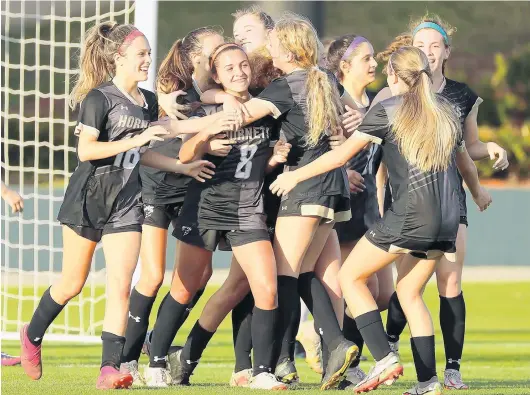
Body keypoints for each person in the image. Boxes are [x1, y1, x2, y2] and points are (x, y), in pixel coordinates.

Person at [269, 46, 492, 395]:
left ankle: (384, 357)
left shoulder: (387, 109)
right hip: (448, 220)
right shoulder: (447, 109)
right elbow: (464, 162)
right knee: (409, 292)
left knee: (350, 277)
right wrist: (478, 194)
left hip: (410, 216)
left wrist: (294, 177)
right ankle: (428, 382)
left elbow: (340, 155)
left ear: (392, 76)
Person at [18, 21, 216, 390]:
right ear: (118, 58)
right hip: (89, 200)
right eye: (140, 54)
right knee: (72, 283)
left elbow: (144, 153)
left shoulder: (148, 101)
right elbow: (87, 152)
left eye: (147, 54)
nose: (147, 60)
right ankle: (31, 335)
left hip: (127, 204)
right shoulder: (99, 98)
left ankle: (109, 367)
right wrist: (139, 137)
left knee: (121, 284)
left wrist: (179, 165)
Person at [144, 43, 289, 390]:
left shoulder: (265, 107)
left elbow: (255, 162)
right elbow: (185, 153)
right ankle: (157, 361)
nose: (239, 72)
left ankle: (263, 372)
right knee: (184, 287)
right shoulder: (207, 109)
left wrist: (274, 158)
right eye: (229, 68)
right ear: (217, 76)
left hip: (247, 210)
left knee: (267, 289)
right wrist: (207, 135)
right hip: (205, 206)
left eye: (242, 65)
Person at [377, 15, 509, 390]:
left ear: (446, 52)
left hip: (450, 202)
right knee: (406, 286)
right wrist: (379, 200)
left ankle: (452, 368)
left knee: (450, 284)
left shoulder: (461, 95)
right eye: (422, 44)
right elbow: (381, 157)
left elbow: (469, 148)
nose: (429, 51)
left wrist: (492, 151)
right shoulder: (394, 93)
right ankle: (388, 347)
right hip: (407, 203)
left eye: (436, 45)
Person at [119, 26, 227, 386]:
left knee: (200, 276)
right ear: (196, 56)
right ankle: (129, 359)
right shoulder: (172, 87)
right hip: (158, 188)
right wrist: (198, 133)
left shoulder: (217, 89)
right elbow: (172, 129)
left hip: (193, 188)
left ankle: (157, 341)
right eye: (213, 49)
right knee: (152, 276)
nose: (220, 54)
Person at [325, 33, 395, 389]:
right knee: (354, 283)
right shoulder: (334, 102)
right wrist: (341, 172)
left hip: (369, 207)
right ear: (344, 67)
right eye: (367, 58)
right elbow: (314, 150)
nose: (375, 64)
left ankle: (338, 347)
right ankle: (338, 356)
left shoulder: (373, 103)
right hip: (344, 210)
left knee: (382, 294)